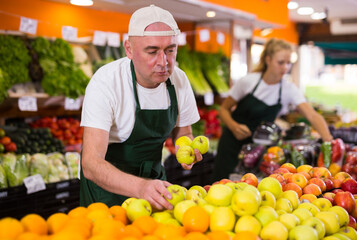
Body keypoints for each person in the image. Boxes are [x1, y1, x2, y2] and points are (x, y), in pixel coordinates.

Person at [79, 5, 202, 210]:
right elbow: (91, 163)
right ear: (129, 49)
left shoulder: (178, 80)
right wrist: (140, 187)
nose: (164, 62)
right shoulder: (106, 82)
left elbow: (184, 131)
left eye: (170, 50)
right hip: (106, 192)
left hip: (154, 185)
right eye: (152, 51)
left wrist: (186, 147)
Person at [211, 38, 333, 181]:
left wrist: (328, 141)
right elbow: (224, 109)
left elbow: (312, 115)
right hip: (231, 145)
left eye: (288, 63)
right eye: (281, 62)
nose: (285, 67)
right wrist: (234, 126)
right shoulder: (249, 81)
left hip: (258, 151)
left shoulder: (288, 89)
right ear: (268, 60)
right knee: (222, 186)